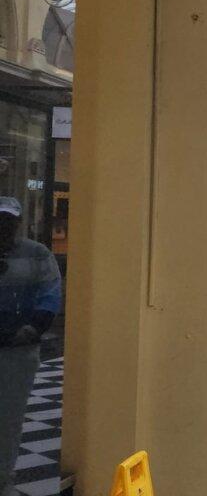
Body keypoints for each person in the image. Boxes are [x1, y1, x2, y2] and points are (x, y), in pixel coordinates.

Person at [0, 198, 62, 494]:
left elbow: (50, 294)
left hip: (17, 353)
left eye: (8, 220)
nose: (4, 226)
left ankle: (3, 478)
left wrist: (32, 328)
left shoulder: (37, 254)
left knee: (9, 418)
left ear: (18, 222)